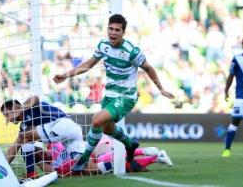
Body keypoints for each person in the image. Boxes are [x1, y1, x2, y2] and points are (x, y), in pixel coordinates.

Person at [53, 14, 175, 172]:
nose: (113, 32)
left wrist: (161, 89)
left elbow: (149, 68)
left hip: (126, 96)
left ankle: (83, 159)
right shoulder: (103, 45)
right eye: (111, 29)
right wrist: (66, 74)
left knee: (96, 121)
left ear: (123, 32)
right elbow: (88, 65)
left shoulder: (132, 51)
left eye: (117, 30)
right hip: (110, 95)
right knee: (107, 129)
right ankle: (131, 145)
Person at [0, 95, 86, 178]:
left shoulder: (30, 108)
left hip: (61, 124)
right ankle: (99, 167)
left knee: (23, 138)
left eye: (7, 115)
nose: (7, 119)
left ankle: (31, 173)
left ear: (15, 108)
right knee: (82, 165)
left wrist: (22, 107)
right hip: (74, 131)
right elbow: (14, 148)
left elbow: (35, 98)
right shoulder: (24, 126)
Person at [30, 136, 173, 177]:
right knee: (112, 162)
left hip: (93, 148)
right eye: (39, 153)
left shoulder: (53, 145)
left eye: (41, 149)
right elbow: (52, 172)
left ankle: (144, 151)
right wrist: (34, 161)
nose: (43, 152)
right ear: (39, 159)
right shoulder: (55, 167)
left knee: (107, 157)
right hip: (92, 159)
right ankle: (155, 156)